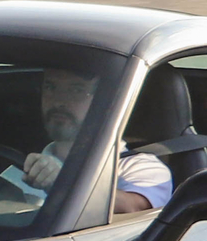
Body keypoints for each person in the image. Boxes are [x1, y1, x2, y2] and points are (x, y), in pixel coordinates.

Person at [17, 69, 175, 215]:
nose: (59, 102)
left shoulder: (140, 167)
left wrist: (62, 183)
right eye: (50, 87)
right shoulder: (22, 165)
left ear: (104, 103)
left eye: (77, 90)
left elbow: (133, 209)